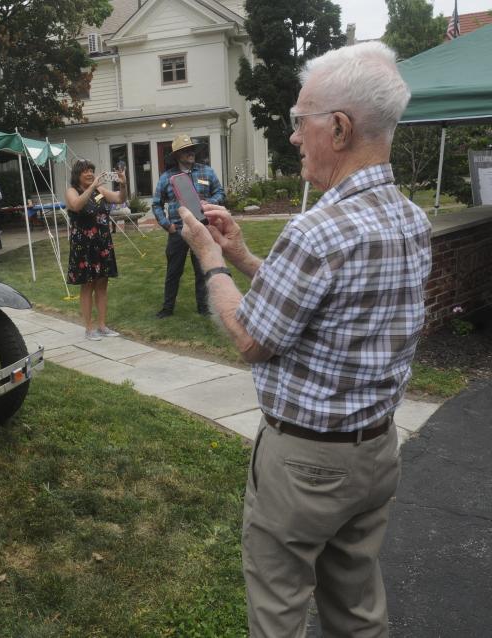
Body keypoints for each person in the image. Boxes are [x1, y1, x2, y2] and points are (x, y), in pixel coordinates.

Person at [175, 42, 431, 637]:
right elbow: (318, 305)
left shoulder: (316, 230)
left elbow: (251, 338)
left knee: (278, 611)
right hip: (376, 451)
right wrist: (240, 253)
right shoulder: (409, 218)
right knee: (358, 606)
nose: (293, 136)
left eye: (299, 120)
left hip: (307, 464)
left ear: (338, 128)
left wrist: (210, 260)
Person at [151, 135, 225, 318]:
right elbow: (156, 204)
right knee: (173, 272)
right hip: (178, 230)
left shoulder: (207, 172)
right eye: (185, 150)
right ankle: (167, 309)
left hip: (202, 228)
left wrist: (209, 202)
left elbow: (220, 192)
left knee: (202, 270)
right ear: (177, 155)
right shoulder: (167, 177)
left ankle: (204, 308)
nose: (190, 153)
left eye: (192, 149)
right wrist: (167, 225)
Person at [64, 159, 126, 341]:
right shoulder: (72, 191)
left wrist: (123, 184)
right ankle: (89, 328)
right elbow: (76, 205)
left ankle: (102, 326)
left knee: (102, 284)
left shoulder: (100, 190)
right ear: (77, 174)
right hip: (84, 245)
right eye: (86, 171)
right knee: (87, 284)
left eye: (92, 170)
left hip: (102, 242)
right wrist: (92, 188)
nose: (90, 173)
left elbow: (120, 199)